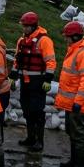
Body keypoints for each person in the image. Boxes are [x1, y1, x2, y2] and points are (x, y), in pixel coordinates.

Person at [54, 21, 84, 167]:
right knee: (72, 133)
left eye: (67, 37)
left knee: (79, 136)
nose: (66, 39)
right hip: (71, 103)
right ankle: (73, 162)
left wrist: (78, 102)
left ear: (75, 37)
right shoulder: (74, 50)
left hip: (79, 104)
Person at [13, 12, 56, 152]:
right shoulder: (21, 41)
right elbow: (17, 59)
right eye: (23, 26)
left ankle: (39, 141)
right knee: (27, 110)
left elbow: (50, 61)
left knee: (37, 111)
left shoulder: (44, 41)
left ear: (33, 26)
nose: (24, 29)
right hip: (25, 81)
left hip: (38, 81)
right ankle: (30, 137)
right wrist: (12, 76)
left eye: (26, 26)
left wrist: (48, 79)